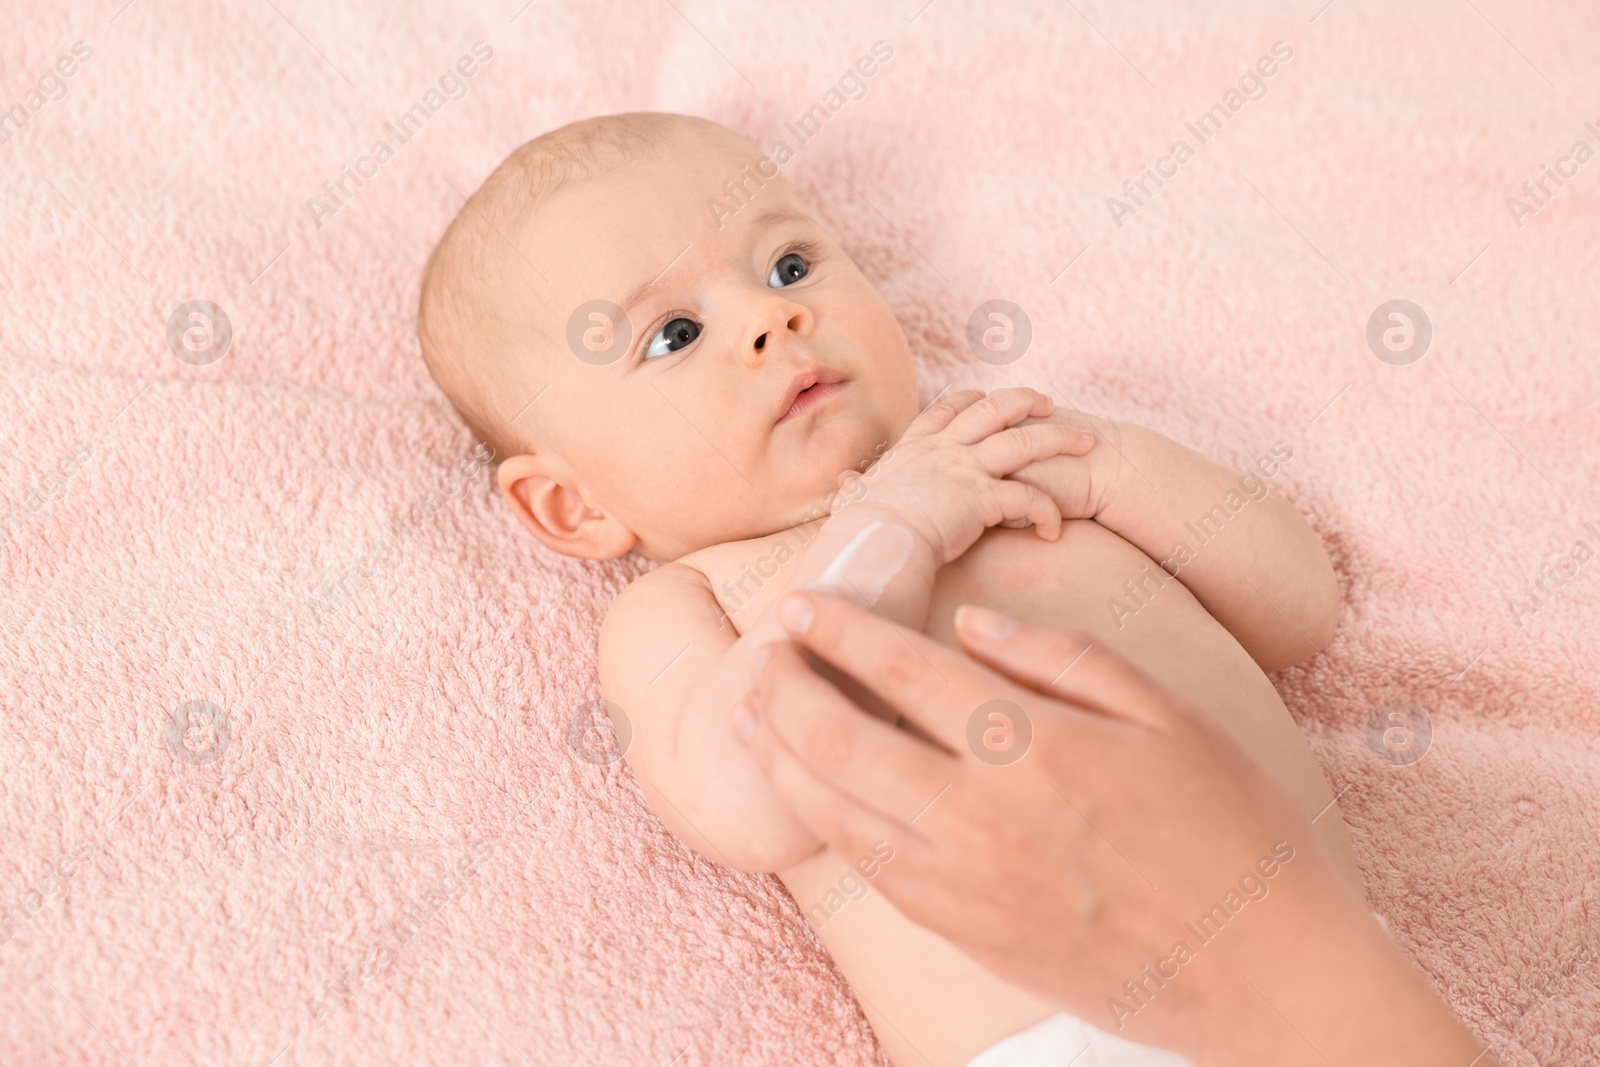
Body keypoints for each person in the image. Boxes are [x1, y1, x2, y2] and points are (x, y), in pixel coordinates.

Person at [734, 589, 1499, 1067]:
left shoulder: (1011, 454)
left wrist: (1118, 465)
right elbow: (743, 816)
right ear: (605, 510)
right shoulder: (696, 590)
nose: (776, 319)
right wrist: (897, 521)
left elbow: (1300, 610)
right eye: (672, 335)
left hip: (1320, 961)